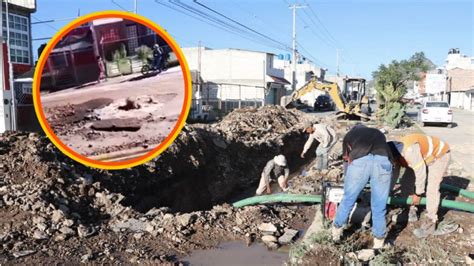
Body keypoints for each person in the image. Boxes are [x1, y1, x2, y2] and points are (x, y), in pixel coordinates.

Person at [332, 125, 392, 249]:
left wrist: (348, 178)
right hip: (383, 163)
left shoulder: (349, 135)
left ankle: (336, 235)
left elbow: (346, 160)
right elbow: (388, 155)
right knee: (379, 205)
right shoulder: (377, 132)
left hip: (360, 163)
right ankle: (378, 243)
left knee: (348, 199)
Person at [387, 133, 451, 238]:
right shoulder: (394, 152)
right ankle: (410, 210)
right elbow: (394, 174)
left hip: (439, 155)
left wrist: (418, 194)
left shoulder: (409, 151)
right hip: (421, 157)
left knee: (432, 187)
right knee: (405, 181)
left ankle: (431, 223)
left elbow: (420, 172)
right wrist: (387, 191)